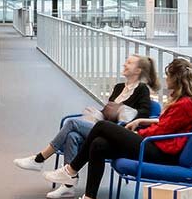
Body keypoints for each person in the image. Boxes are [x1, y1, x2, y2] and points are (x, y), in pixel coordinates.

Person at [55, 57, 192, 199]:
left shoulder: (184, 104)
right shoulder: (183, 102)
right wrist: (140, 127)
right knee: (98, 144)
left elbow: (161, 130)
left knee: (102, 126)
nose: (166, 79)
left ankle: (71, 170)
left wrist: (137, 133)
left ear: (176, 78)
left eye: (168, 76)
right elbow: (165, 125)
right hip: (156, 146)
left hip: (161, 152)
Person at [14, 53, 156, 179]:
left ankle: (39, 159)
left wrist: (121, 111)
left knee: (71, 123)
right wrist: (98, 113)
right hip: (102, 127)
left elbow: (144, 114)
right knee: (72, 136)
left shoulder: (142, 90)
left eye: (129, 63)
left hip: (118, 132)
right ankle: (68, 184)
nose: (125, 64)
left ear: (138, 70)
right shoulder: (119, 87)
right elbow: (108, 111)